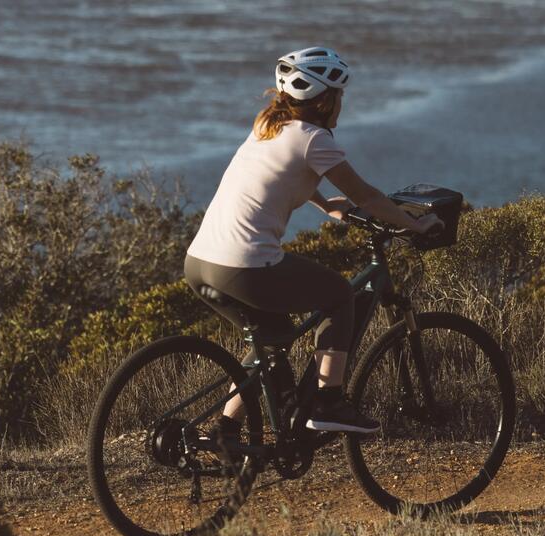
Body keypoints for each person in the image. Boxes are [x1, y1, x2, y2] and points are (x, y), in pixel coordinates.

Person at [184, 46, 439, 438]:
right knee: (338, 295)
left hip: (201, 262)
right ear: (324, 101)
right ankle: (328, 401)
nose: (342, 104)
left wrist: (323, 204)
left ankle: (224, 428)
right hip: (244, 266)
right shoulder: (314, 139)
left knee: (271, 344)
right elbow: (367, 196)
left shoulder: (267, 126)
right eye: (339, 96)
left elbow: (275, 172)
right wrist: (415, 226)